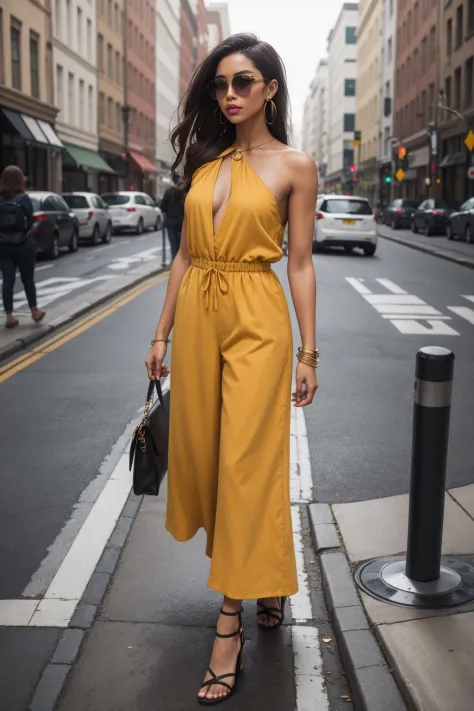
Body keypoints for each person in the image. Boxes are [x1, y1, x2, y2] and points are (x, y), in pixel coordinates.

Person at [145, 33, 319, 705]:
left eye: (243, 81)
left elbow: (299, 262)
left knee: (248, 462)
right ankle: (267, 576)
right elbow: (186, 256)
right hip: (197, 316)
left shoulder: (295, 167)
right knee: (211, 460)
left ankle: (229, 625)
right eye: (220, 84)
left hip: (256, 318)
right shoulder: (205, 158)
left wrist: (309, 349)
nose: (229, 94)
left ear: (270, 88)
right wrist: (160, 333)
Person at [0, 165, 45, 328]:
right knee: (27, 278)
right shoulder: (24, 199)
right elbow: (30, 222)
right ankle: (34, 310)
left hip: (3, 245)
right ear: (20, 180)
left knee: (7, 280)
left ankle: (9, 316)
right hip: (23, 244)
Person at [160, 172, 184, 261]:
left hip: (171, 222)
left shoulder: (168, 192)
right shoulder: (183, 192)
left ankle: (174, 263)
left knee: (173, 245)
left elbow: (162, 206)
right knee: (182, 245)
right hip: (182, 222)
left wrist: (166, 212)